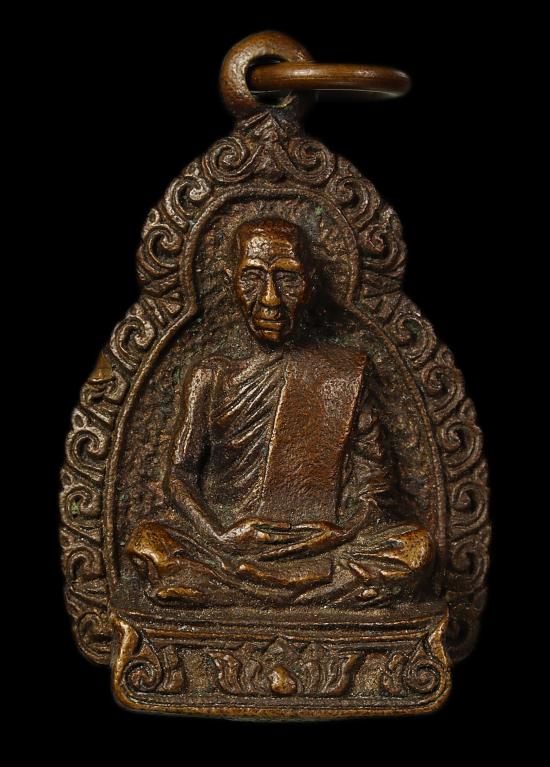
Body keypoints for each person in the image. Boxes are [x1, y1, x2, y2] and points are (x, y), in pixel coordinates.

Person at [127, 217, 433, 607]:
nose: (270, 299)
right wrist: (220, 533)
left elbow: (376, 490)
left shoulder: (344, 374)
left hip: (318, 544)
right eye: (253, 278)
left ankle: (229, 590)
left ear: (310, 284)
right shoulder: (210, 375)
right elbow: (179, 475)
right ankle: (301, 590)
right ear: (231, 280)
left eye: (287, 278)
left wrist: (339, 533)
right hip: (232, 542)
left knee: (415, 548)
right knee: (148, 542)